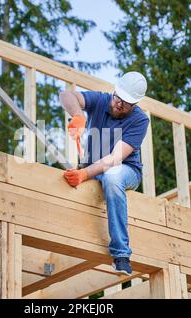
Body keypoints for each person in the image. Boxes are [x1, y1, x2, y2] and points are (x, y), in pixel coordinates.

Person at [59, 71, 149, 276]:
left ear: (134, 104)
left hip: (126, 170)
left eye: (126, 103)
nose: (119, 104)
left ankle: (121, 254)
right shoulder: (101, 100)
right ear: (114, 91)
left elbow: (115, 159)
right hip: (93, 168)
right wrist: (78, 115)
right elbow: (66, 96)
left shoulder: (140, 120)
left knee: (112, 176)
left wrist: (85, 174)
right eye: (118, 97)